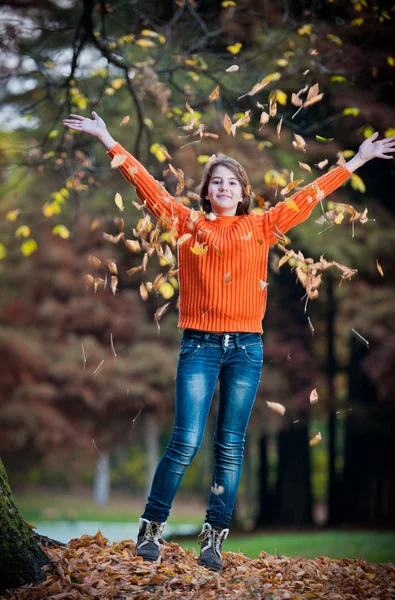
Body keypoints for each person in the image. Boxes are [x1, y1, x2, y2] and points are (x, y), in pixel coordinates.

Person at [63, 111, 394, 571]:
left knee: (231, 446)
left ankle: (213, 540)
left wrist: (357, 160)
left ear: (243, 193)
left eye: (232, 184)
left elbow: (309, 197)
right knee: (185, 441)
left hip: (246, 349)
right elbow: (149, 188)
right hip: (199, 346)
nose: (224, 188)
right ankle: (151, 529)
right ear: (206, 191)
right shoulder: (187, 225)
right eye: (216, 182)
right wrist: (107, 137)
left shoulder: (262, 227)